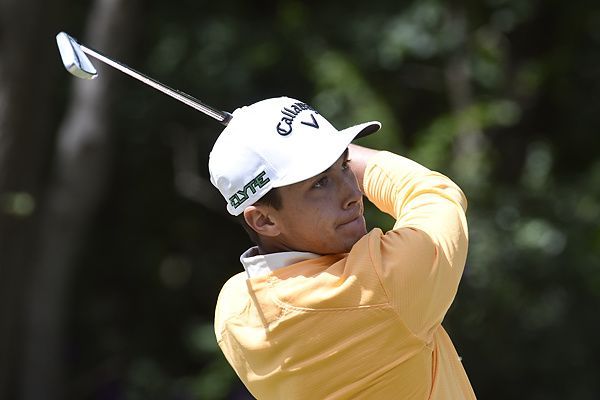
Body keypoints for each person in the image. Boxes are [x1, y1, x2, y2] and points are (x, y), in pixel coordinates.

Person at [208, 96, 476, 399]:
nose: (353, 193)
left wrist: (318, 150)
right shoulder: (383, 284)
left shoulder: (233, 311)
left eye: (345, 166)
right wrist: (339, 150)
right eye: (320, 183)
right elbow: (434, 193)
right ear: (264, 220)